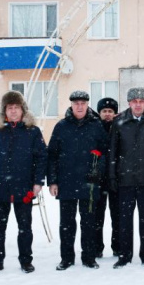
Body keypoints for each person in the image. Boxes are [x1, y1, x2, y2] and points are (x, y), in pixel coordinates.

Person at [0, 91, 48, 274]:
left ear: (22, 110)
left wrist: (38, 182)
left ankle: (26, 260)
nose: (13, 111)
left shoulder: (32, 131)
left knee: (25, 227)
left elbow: (41, 158)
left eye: (16, 107)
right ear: (4, 111)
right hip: (0, 188)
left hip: (24, 187)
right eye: (9, 108)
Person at [48, 91, 109, 270]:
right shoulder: (61, 126)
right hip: (66, 182)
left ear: (87, 105)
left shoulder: (96, 125)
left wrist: (97, 172)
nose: (80, 106)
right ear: (71, 105)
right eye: (76, 103)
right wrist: (53, 181)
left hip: (89, 183)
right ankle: (66, 258)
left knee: (89, 222)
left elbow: (105, 152)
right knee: (66, 224)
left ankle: (89, 257)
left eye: (83, 103)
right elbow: (52, 155)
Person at [110, 87, 144, 268]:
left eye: (141, 101)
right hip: (124, 180)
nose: (138, 104)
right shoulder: (119, 122)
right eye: (135, 101)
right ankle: (125, 255)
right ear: (129, 103)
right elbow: (113, 152)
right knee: (124, 220)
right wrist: (113, 176)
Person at [96, 97, 120, 257]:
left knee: (117, 215)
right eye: (104, 111)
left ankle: (117, 247)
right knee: (97, 216)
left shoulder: (121, 127)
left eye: (110, 111)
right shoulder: (94, 128)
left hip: (117, 178)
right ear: (99, 113)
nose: (107, 114)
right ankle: (97, 248)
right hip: (98, 179)